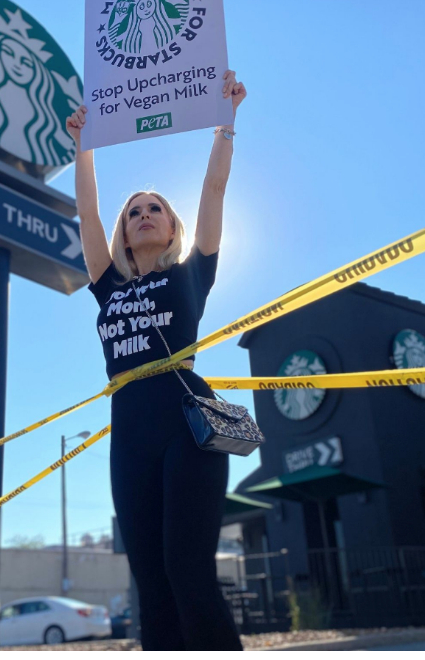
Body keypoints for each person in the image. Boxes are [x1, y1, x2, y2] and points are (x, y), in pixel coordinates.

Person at [65, 70, 247, 651]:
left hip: (189, 427)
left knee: (188, 575)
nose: (142, 214)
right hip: (130, 436)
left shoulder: (193, 272)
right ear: (123, 231)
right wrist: (83, 143)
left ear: (172, 227)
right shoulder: (106, 284)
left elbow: (213, 191)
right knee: (151, 585)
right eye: (134, 211)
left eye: (155, 209)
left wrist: (227, 122)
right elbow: (86, 210)